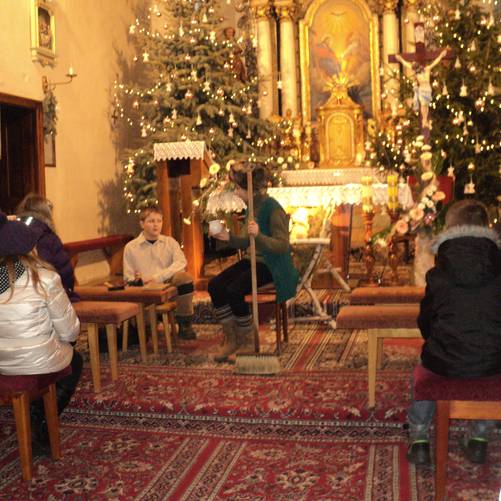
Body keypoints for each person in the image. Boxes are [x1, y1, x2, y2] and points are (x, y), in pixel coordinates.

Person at [407, 199, 501, 465]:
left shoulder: (438, 273)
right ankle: (479, 435)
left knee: (426, 361)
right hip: (493, 360)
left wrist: (440, 342)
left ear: (450, 229)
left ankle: (420, 436)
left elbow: (426, 321)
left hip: (445, 360)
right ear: (487, 228)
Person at [0, 213, 82, 455]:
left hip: (2, 364)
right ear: (30, 248)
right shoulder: (45, 279)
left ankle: (35, 413)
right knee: (75, 361)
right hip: (37, 364)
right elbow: (70, 330)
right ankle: (42, 421)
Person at [208, 162, 299, 362]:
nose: (236, 192)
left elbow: (282, 246)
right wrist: (227, 237)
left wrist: (259, 235)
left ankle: (248, 341)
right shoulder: (251, 207)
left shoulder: (273, 209)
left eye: (238, 188)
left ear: (250, 189)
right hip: (253, 261)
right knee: (215, 285)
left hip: (272, 264)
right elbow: (244, 241)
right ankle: (232, 339)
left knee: (234, 290)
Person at [123, 206, 197, 340]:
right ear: (142, 224)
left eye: (159, 221)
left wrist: (157, 277)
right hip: (146, 290)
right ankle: (146, 326)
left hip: (167, 286)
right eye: (151, 221)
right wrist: (137, 280)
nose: (156, 225)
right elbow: (128, 277)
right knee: (143, 337)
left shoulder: (170, 242)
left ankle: (185, 324)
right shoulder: (131, 247)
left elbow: (181, 263)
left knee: (184, 278)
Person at [16, 194, 79, 302]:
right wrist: (68, 290)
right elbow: (64, 272)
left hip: (15, 294)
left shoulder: (11, 234)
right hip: (44, 295)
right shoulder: (48, 238)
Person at [395, 48, 448, 130]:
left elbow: (435, 62)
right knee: (423, 105)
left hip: (428, 89)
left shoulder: (427, 69)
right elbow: (406, 64)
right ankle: (424, 120)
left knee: (426, 106)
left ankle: (425, 120)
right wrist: (400, 59)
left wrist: (441, 55)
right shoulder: (416, 72)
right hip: (422, 90)